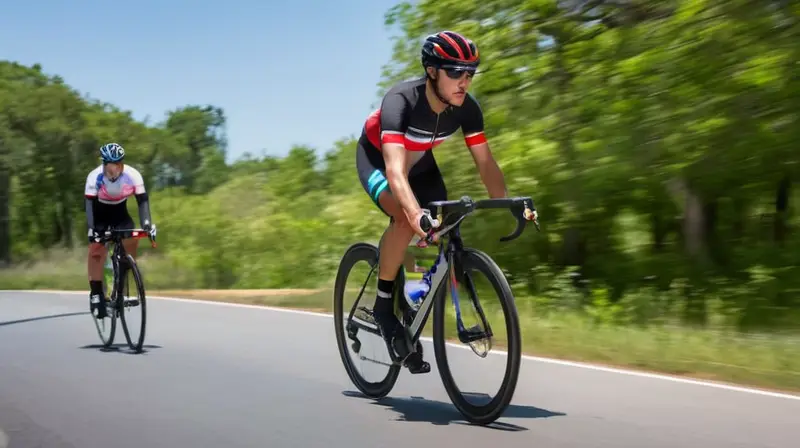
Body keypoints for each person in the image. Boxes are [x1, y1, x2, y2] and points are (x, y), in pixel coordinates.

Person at [355, 30, 524, 374]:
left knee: (435, 230)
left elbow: (486, 163)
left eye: (470, 73)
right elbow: (395, 171)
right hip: (380, 162)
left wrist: (506, 204)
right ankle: (385, 306)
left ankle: (412, 306)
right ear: (432, 71)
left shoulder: (466, 109)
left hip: (421, 164)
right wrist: (414, 212)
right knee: (406, 218)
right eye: (455, 73)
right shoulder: (400, 101)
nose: (465, 81)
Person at [84, 143, 156, 319]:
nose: (115, 168)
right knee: (96, 250)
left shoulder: (132, 175)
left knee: (132, 240)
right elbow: (89, 205)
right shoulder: (95, 177)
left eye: (118, 163)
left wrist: (147, 224)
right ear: (105, 163)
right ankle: (96, 293)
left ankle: (120, 285)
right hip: (99, 214)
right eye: (111, 164)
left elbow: (142, 201)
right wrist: (93, 229)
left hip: (121, 214)